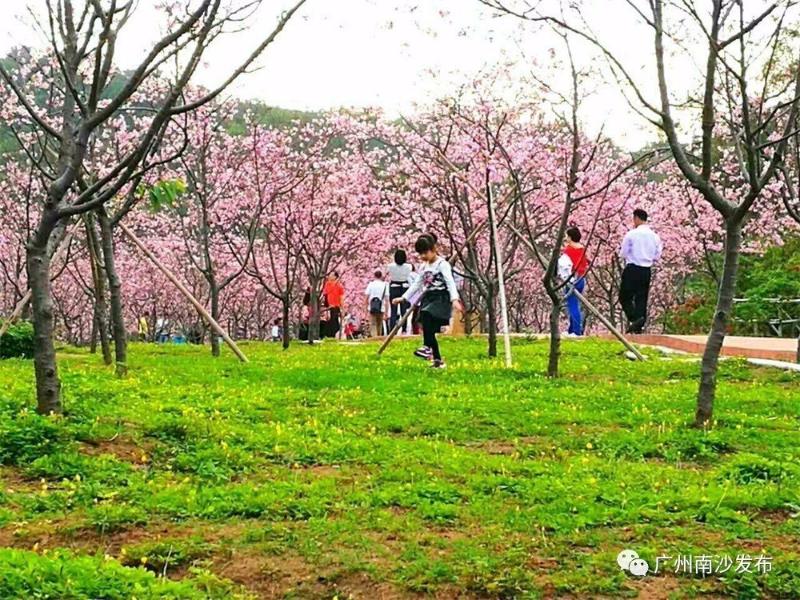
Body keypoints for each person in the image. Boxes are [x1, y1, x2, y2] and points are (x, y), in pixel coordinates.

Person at [395, 234, 462, 369]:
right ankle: (437, 360)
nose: (423, 257)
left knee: (426, 314)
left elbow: (450, 281)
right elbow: (417, 284)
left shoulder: (442, 265)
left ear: (433, 249)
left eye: (425, 253)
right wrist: (404, 297)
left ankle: (426, 347)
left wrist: (454, 299)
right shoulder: (424, 266)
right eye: (421, 254)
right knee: (428, 327)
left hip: (440, 298)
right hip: (428, 297)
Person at [619, 208, 663, 333]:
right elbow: (657, 255)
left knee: (624, 297)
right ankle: (639, 325)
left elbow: (623, 253)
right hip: (646, 270)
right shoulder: (655, 236)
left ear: (637, 218)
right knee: (641, 298)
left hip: (632, 268)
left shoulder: (631, 234)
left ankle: (634, 318)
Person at [559, 227, 590, 336]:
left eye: (567, 236)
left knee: (572, 304)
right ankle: (571, 329)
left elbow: (564, 264)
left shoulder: (568, 250)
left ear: (570, 237)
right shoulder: (582, 249)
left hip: (572, 279)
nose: (566, 238)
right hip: (581, 278)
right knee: (575, 303)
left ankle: (576, 331)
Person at [387, 250, 413, 331]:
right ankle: (404, 328)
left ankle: (392, 329)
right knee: (403, 310)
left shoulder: (390, 266)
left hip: (394, 287)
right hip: (404, 287)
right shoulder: (409, 266)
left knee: (393, 310)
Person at [365, 271, 389, 337]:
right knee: (379, 324)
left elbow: (366, 297)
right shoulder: (385, 285)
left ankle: (374, 338)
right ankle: (379, 338)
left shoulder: (371, 284)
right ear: (381, 276)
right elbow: (387, 299)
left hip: (372, 307)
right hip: (381, 307)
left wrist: (365, 309)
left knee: (373, 324)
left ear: (374, 276)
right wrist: (386, 312)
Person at [322, 272, 345, 339]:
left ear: (335, 277)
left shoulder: (339, 286)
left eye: (331, 275)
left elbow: (341, 298)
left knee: (334, 322)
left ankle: (334, 335)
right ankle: (329, 336)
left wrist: (342, 308)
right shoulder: (327, 284)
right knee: (328, 321)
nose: (329, 276)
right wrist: (326, 306)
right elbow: (325, 295)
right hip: (329, 306)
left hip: (336, 306)